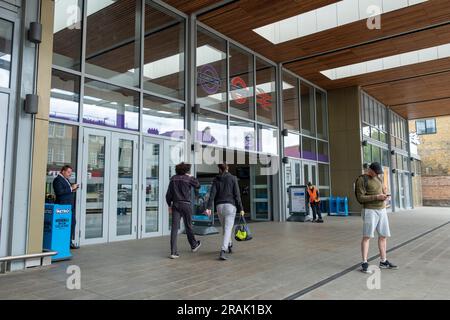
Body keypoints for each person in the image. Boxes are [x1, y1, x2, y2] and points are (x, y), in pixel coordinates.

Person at [355, 162, 398, 273]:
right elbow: (360, 198)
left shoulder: (378, 179)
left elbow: (382, 190)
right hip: (369, 211)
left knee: (383, 236)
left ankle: (383, 261)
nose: (377, 174)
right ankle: (364, 262)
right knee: (367, 236)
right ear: (370, 170)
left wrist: (385, 195)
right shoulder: (361, 179)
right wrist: (377, 197)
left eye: (379, 173)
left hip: (382, 210)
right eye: (376, 172)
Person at [205, 163, 245, 261]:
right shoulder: (233, 178)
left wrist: (209, 207)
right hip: (230, 206)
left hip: (219, 207)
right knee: (227, 229)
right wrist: (241, 208)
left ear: (219, 169)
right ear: (227, 168)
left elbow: (212, 194)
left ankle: (229, 245)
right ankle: (223, 251)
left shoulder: (216, 179)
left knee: (225, 228)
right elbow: (237, 195)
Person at [166, 162, 202, 259]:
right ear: (186, 171)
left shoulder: (173, 178)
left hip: (176, 204)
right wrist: (191, 176)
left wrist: (169, 204)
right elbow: (198, 185)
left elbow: (168, 194)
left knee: (174, 228)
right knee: (188, 226)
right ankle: (194, 245)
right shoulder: (188, 178)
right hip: (186, 204)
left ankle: (173, 252)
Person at [53, 165, 79, 249]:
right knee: (65, 225)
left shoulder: (66, 179)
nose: (69, 174)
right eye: (68, 172)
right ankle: (66, 243)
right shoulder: (57, 180)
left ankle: (69, 242)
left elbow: (66, 191)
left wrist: (73, 189)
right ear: (63, 171)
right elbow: (59, 192)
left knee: (72, 223)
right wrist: (71, 188)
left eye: (70, 173)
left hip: (69, 206)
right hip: (63, 206)